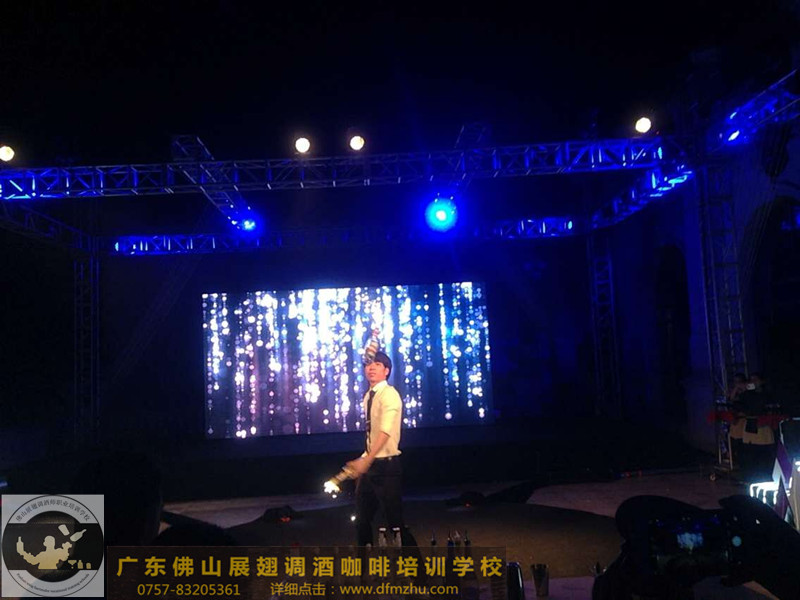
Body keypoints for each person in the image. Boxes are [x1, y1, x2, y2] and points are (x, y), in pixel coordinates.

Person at [346, 351, 404, 546]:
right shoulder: (368, 396)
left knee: (395, 523)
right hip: (371, 464)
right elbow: (372, 434)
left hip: (387, 467)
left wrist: (367, 460)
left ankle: (414, 564)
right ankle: (363, 562)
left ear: (386, 371)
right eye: (368, 364)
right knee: (361, 520)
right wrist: (364, 459)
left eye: (377, 365)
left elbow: (385, 432)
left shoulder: (389, 395)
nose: (371, 368)